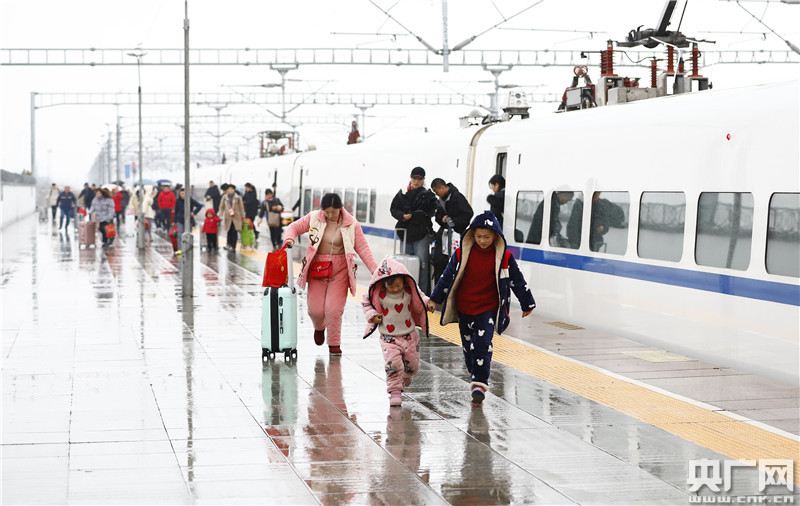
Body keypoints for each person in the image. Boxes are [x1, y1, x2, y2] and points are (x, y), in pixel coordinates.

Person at [427, 210, 536, 406]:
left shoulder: (504, 256)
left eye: (487, 237)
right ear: (472, 234)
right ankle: (474, 371)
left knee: (483, 345)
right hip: (464, 308)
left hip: (488, 309)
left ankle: (479, 383)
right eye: (478, 236)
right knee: (469, 349)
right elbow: (447, 276)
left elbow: (517, 279)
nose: (482, 241)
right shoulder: (462, 253)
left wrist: (527, 302)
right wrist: (434, 299)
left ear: (496, 236)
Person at [283, 193, 378, 356]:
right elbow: (293, 227)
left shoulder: (351, 224)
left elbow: (363, 248)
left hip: (340, 270)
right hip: (317, 268)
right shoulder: (314, 218)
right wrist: (289, 239)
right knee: (315, 310)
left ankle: (334, 343)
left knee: (334, 310)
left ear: (340, 209)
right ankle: (319, 327)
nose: (329, 215)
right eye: (326, 212)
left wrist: (376, 272)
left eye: (333, 212)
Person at [362, 257, 430, 407]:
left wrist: (428, 303)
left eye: (398, 285)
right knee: (392, 364)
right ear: (383, 283)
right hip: (388, 337)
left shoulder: (409, 290)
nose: (395, 289)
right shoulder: (378, 293)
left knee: (413, 366)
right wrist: (372, 315)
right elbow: (366, 303)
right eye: (391, 286)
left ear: (404, 281)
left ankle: (405, 375)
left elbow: (421, 297)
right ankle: (395, 391)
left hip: (409, 336)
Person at [389, 166, 438, 294]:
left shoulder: (428, 195)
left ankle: (421, 293)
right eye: (414, 178)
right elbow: (393, 209)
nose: (416, 181)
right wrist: (402, 216)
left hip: (421, 234)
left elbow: (434, 208)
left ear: (423, 180)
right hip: (405, 234)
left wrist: (421, 213)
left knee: (422, 265)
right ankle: (405, 291)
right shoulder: (402, 193)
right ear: (410, 178)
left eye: (419, 179)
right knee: (404, 265)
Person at [430, 178, 474, 284]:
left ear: (442, 187)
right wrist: (442, 218)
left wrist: (452, 222)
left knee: (454, 265)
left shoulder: (457, 197)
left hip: (456, 238)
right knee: (440, 264)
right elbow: (437, 215)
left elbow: (468, 213)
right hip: (443, 239)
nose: (437, 195)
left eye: (437, 192)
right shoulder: (442, 201)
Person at [218, 184, 245, 250]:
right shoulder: (224, 197)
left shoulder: (238, 198)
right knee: (229, 230)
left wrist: (243, 217)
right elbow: (221, 206)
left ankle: (233, 246)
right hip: (228, 217)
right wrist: (221, 214)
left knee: (234, 231)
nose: (230, 190)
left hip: (236, 217)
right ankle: (228, 244)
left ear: (234, 190)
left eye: (232, 189)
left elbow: (241, 208)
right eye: (229, 189)